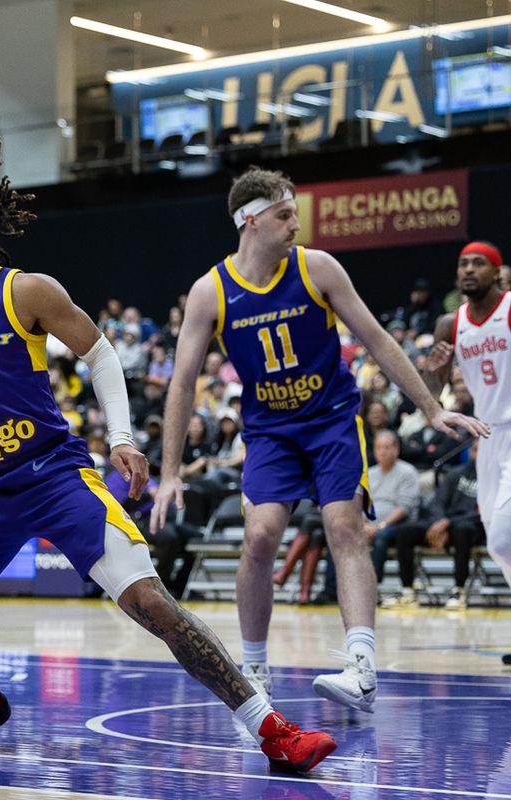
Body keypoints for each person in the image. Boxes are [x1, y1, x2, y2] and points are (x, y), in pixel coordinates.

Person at [0, 130, 336, 773]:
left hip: (53, 477)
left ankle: (270, 727)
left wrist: (121, 437)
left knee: (151, 604)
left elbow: (99, 352)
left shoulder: (25, 291)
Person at [151, 166, 487, 713]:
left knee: (343, 526)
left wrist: (431, 408)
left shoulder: (318, 268)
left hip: (331, 420)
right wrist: (169, 471)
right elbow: (183, 382)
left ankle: (362, 667)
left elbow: (376, 339)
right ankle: (254, 670)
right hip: (270, 432)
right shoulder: (210, 292)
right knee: (259, 536)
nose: (296, 224)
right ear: (251, 221)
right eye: (285, 215)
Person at [423, 241, 511, 607]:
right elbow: (431, 395)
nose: (469, 270)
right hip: (487, 436)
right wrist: (432, 369)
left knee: (503, 539)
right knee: (497, 543)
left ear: (497, 273)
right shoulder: (450, 324)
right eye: (463, 264)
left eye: (479, 263)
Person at [383, 441, 482, 609]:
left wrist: (447, 523)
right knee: (405, 531)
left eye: (482, 451)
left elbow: (483, 513)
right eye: (475, 450)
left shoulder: (496, 479)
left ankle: (458, 591)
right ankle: (407, 591)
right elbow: (437, 503)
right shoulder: (455, 474)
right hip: (442, 525)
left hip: (471, 527)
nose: (478, 454)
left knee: (463, 530)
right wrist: (439, 523)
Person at [360, 430, 420, 593]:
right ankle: (333, 589)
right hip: (369, 525)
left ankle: (372, 586)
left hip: (398, 525)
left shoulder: (408, 472)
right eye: (378, 447)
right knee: (344, 535)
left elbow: (405, 507)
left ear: (396, 449)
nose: (382, 452)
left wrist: (380, 526)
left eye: (386, 447)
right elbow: (360, 503)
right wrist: (363, 524)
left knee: (381, 536)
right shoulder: (369, 473)